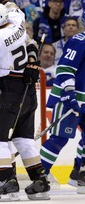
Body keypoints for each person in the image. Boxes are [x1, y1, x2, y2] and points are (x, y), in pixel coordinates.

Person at [0, 0, 50, 201]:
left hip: (8, 88)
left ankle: (7, 183)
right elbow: (11, 5)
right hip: (28, 88)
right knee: (24, 139)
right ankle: (41, 183)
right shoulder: (18, 20)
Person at [40, 20, 85, 194]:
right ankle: (40, 177)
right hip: (70, 97)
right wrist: (68, 93)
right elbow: (65, 68)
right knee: (59, 139)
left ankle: (79, 174)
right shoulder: (79, 40)